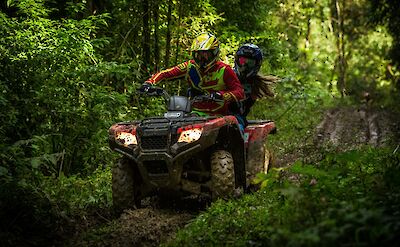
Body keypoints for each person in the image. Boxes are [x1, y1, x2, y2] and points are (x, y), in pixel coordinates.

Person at [139, 33, 244, 119]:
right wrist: (149, 83)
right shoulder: (190, 66)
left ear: (214, 53)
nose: (202, 58)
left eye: (205, 54)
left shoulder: (224, 69)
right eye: (198, 54)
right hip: (194, 114)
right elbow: (165, 73)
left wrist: (221, 95)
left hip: (219, 116)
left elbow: (239, 92)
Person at [232, 43, 278, 126]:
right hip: (217, 114)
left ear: (256, 64)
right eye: (242, 61)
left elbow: (244, 109)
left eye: (250, 62)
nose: (244, 65)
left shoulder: (255, 84)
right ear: (237, 60)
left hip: (237, 120)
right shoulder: (227, 75)